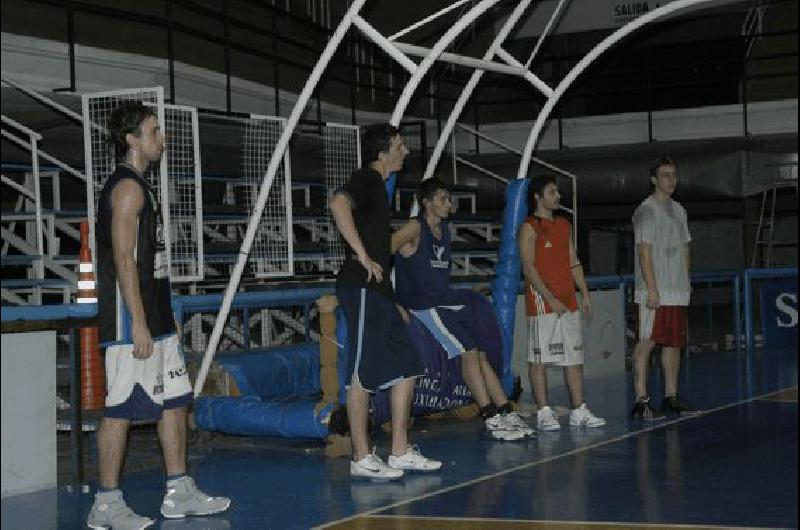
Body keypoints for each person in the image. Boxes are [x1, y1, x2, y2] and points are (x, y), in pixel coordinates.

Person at [89, 102, 230, 529]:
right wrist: (138, 321)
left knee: (174, 403)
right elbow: (124, 261)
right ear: (132, 139)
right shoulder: (127, 189)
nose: (161, 138)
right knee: (120, 410)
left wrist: (158, 318)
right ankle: (106, 503)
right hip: (130, 320)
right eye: (154, 131)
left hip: (156, 313)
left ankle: (179, 490)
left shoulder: (143, 187)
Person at [329, 123, 442, 480]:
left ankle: (399, 450)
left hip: (379, 293)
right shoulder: (367, 178)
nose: (405, 151)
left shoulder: (380, 187)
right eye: (399, 145)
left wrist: (393, 300)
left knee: (408, 367)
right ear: (382, 153)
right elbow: (337, 203)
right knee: (362, 375)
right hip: (360, 287)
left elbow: (380, 246)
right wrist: (361, 255)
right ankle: (361, 456)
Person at [392, 178, 535, 441]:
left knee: (479, 353)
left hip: (443, 300)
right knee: (468, 351)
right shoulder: (414, 228)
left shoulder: (444, 230)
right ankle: (490, 417)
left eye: (449, 198)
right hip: (422, 304)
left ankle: (505, 410)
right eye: (443, 199)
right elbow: (384, 250)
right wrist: (390, 299)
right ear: (427, 202)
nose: (450, 204)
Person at [518, 175, 606, 432]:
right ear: (538, 197)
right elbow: (528, 267)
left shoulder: (564, 224)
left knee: (574, 358)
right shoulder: (529, 227)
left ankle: (579, 409)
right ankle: (544, 412)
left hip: (568, 302)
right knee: (539, 359)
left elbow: (572, 260)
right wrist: (550, 298)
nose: (558, 197)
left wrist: (585, 293)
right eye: (552, 192)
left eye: (557, 192)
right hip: (543, 304)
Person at [631, 156, 696, 420]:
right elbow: (644, 251)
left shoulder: (679, 210)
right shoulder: (646, 211)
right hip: (654, 291)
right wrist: (652, 289)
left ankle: (671, 396)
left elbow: (685, 248)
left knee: (673, 343)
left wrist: (686, 281)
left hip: (676, 289)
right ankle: (641, 400)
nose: (671, 180)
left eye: (674, 175)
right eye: (666, 175)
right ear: (654, 180)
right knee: (647, 342)